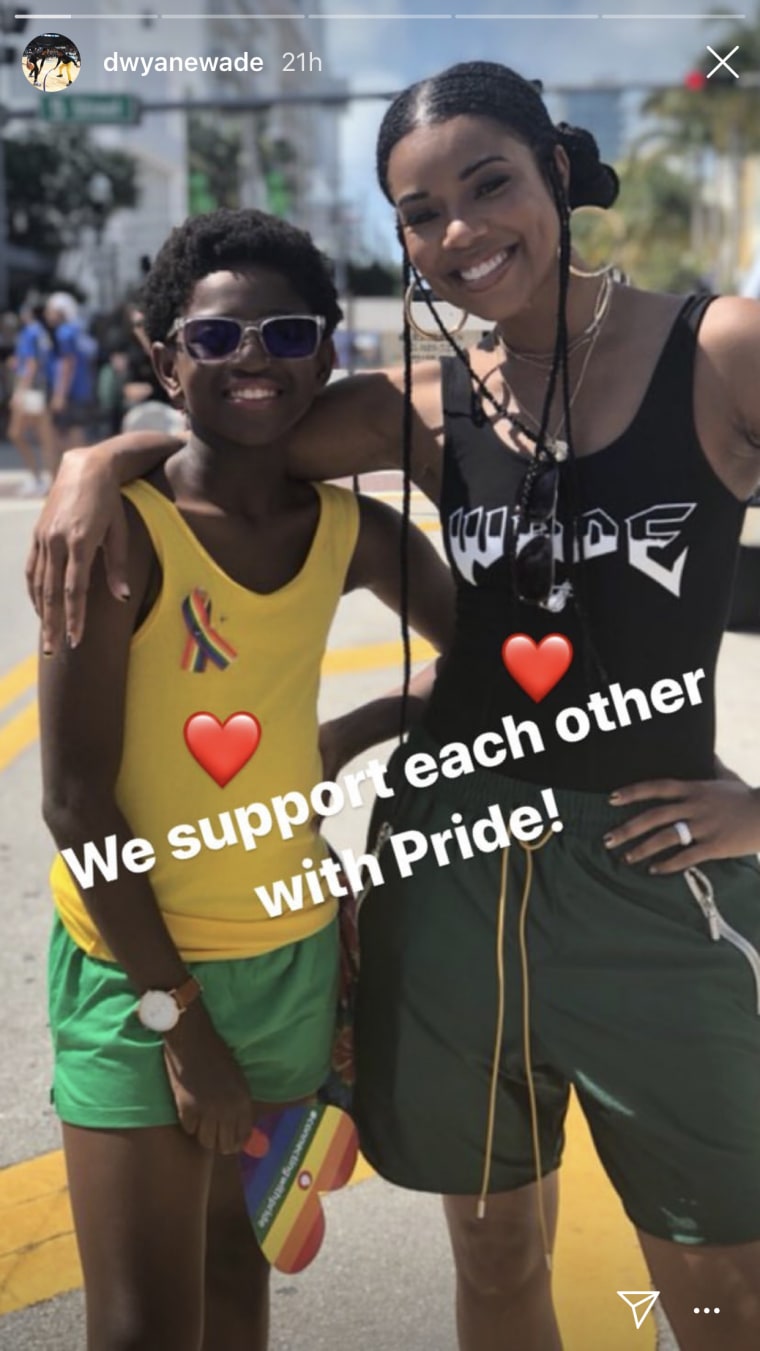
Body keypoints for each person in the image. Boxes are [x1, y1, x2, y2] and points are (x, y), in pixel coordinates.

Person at [27, 62, 760, 1351]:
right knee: (489, 1254)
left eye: (488, 184)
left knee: (722, 1285)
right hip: (451, 866)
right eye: (419, 215)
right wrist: (95, 461)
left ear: (556, 174)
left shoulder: (719, 348)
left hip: (657, 870)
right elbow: (229, 428)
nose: (459, 233)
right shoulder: (417, 401)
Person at [38, 207, 454, 1351]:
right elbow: (73, 801)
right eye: (215, 341)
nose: (253, 360)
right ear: (165, 358)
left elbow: (490, 659)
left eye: (285, 334)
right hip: (138, 979)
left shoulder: (350, 533)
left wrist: (358, 727)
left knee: (236, 1282)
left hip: (290, 958)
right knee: (139, 1329)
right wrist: (181, 1028)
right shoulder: (116, 532)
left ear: (326, 353)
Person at [8, 301, 56, 495]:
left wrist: (19, 392)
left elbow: (31, 365)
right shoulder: (42, 333)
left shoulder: (29, 333)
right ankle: (48, 480)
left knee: (18, 433)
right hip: (41, 390)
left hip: (31, 391)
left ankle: (38, 479)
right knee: (43, 437)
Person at [45, 292, 97, 461]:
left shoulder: (64, 333)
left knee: (65, 439)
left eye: (50, 310)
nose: (47, 314)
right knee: (77, 434)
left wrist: (59, 395)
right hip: (81, 390)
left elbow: (67, 364)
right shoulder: (78, 330)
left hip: (70, 393)